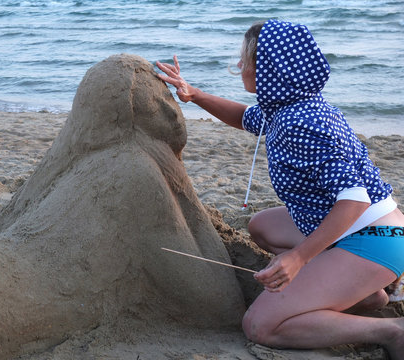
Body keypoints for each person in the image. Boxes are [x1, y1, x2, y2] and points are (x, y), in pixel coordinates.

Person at [156, 19, 404, 359]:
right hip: (373, 232)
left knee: (261, 326)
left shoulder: (301, 122)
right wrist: (194, 94)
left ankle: (389, 331)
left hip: (372, 239)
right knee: (262, 226)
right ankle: (367, 294)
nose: (240, 66)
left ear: (268, 66)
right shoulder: (288, 106)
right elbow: (246, 117)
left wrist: (300, 258)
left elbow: (355, 199)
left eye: (245, 59)